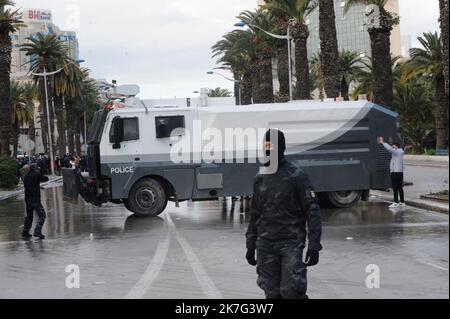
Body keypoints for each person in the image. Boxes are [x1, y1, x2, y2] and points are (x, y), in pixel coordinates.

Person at [246, 129, 323, 299]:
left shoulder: (297, 176)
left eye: (272, 146)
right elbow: (254, 214)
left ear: (282, 148)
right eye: (265, 146)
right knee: (271, 294)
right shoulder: (260, 177)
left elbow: (312, 212)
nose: (268, 150)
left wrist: (314, 246)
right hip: (265, 244)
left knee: (292, 292)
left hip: (290, 243)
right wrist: (250, 244)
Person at [22, 163, 49, 240]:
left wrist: (38, 186)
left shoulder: (26, 176)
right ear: (36, 168)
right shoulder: (36, 174)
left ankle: (25, 232)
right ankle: (37, 231)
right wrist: (41, 172)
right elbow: (46, 178)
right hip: (35, 199)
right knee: (42, 215)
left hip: (27, 199)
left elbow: (30, 185)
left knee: (29, 216)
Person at [378, 137, 406, 208]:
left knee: (395, 188)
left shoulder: (398, 152)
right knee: (399, 188)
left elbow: (390, 149)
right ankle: (402, 202)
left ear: (397, 147)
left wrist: (383, 142)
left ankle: (396, 202)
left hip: (396, 173)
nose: (392, 148)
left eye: (394, 147)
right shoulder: (398, 153)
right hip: (399, 172)